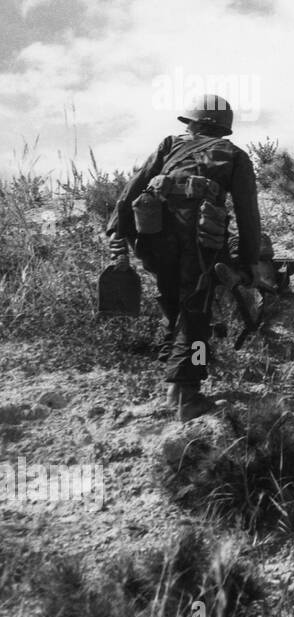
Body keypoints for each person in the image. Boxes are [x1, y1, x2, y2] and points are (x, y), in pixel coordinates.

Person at [105, 93, 262, 420]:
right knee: (197, 310)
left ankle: (172, 380)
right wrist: (248, 262)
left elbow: (129, 194)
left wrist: (116, 234)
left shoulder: (168, 147)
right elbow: (249, 216)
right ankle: (186, 395)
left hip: (155, 235)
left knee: (172, 300)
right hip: (198, 241)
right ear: (223, 128)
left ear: (191, 121)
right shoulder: (235, 156)